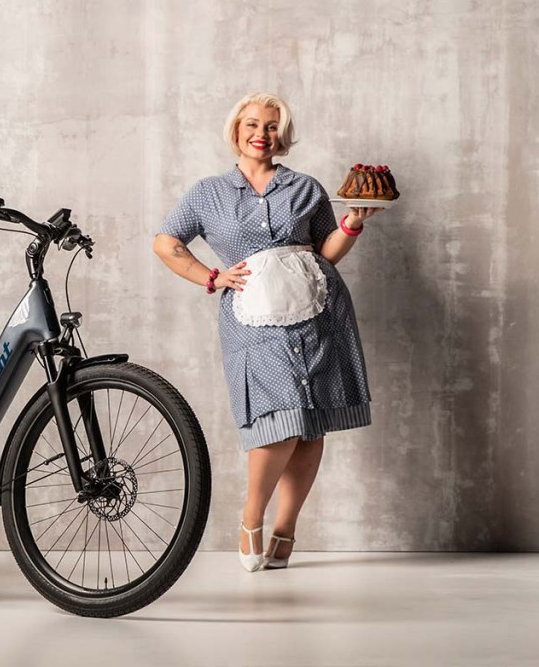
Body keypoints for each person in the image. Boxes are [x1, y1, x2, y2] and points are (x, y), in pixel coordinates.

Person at [152, 92, 380, 572]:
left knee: (311, 421)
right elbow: (166, 241)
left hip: (318, 313)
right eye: (253, 123)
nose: (262, 133)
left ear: (283, 134)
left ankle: (287, 526)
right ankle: (252, 516)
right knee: (279, 417)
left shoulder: (306, 188)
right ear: (236, 130)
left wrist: (352, 224)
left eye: (273, 126)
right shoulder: (207, 194)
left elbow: (325, 251)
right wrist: (210, 277)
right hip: (253, 320)